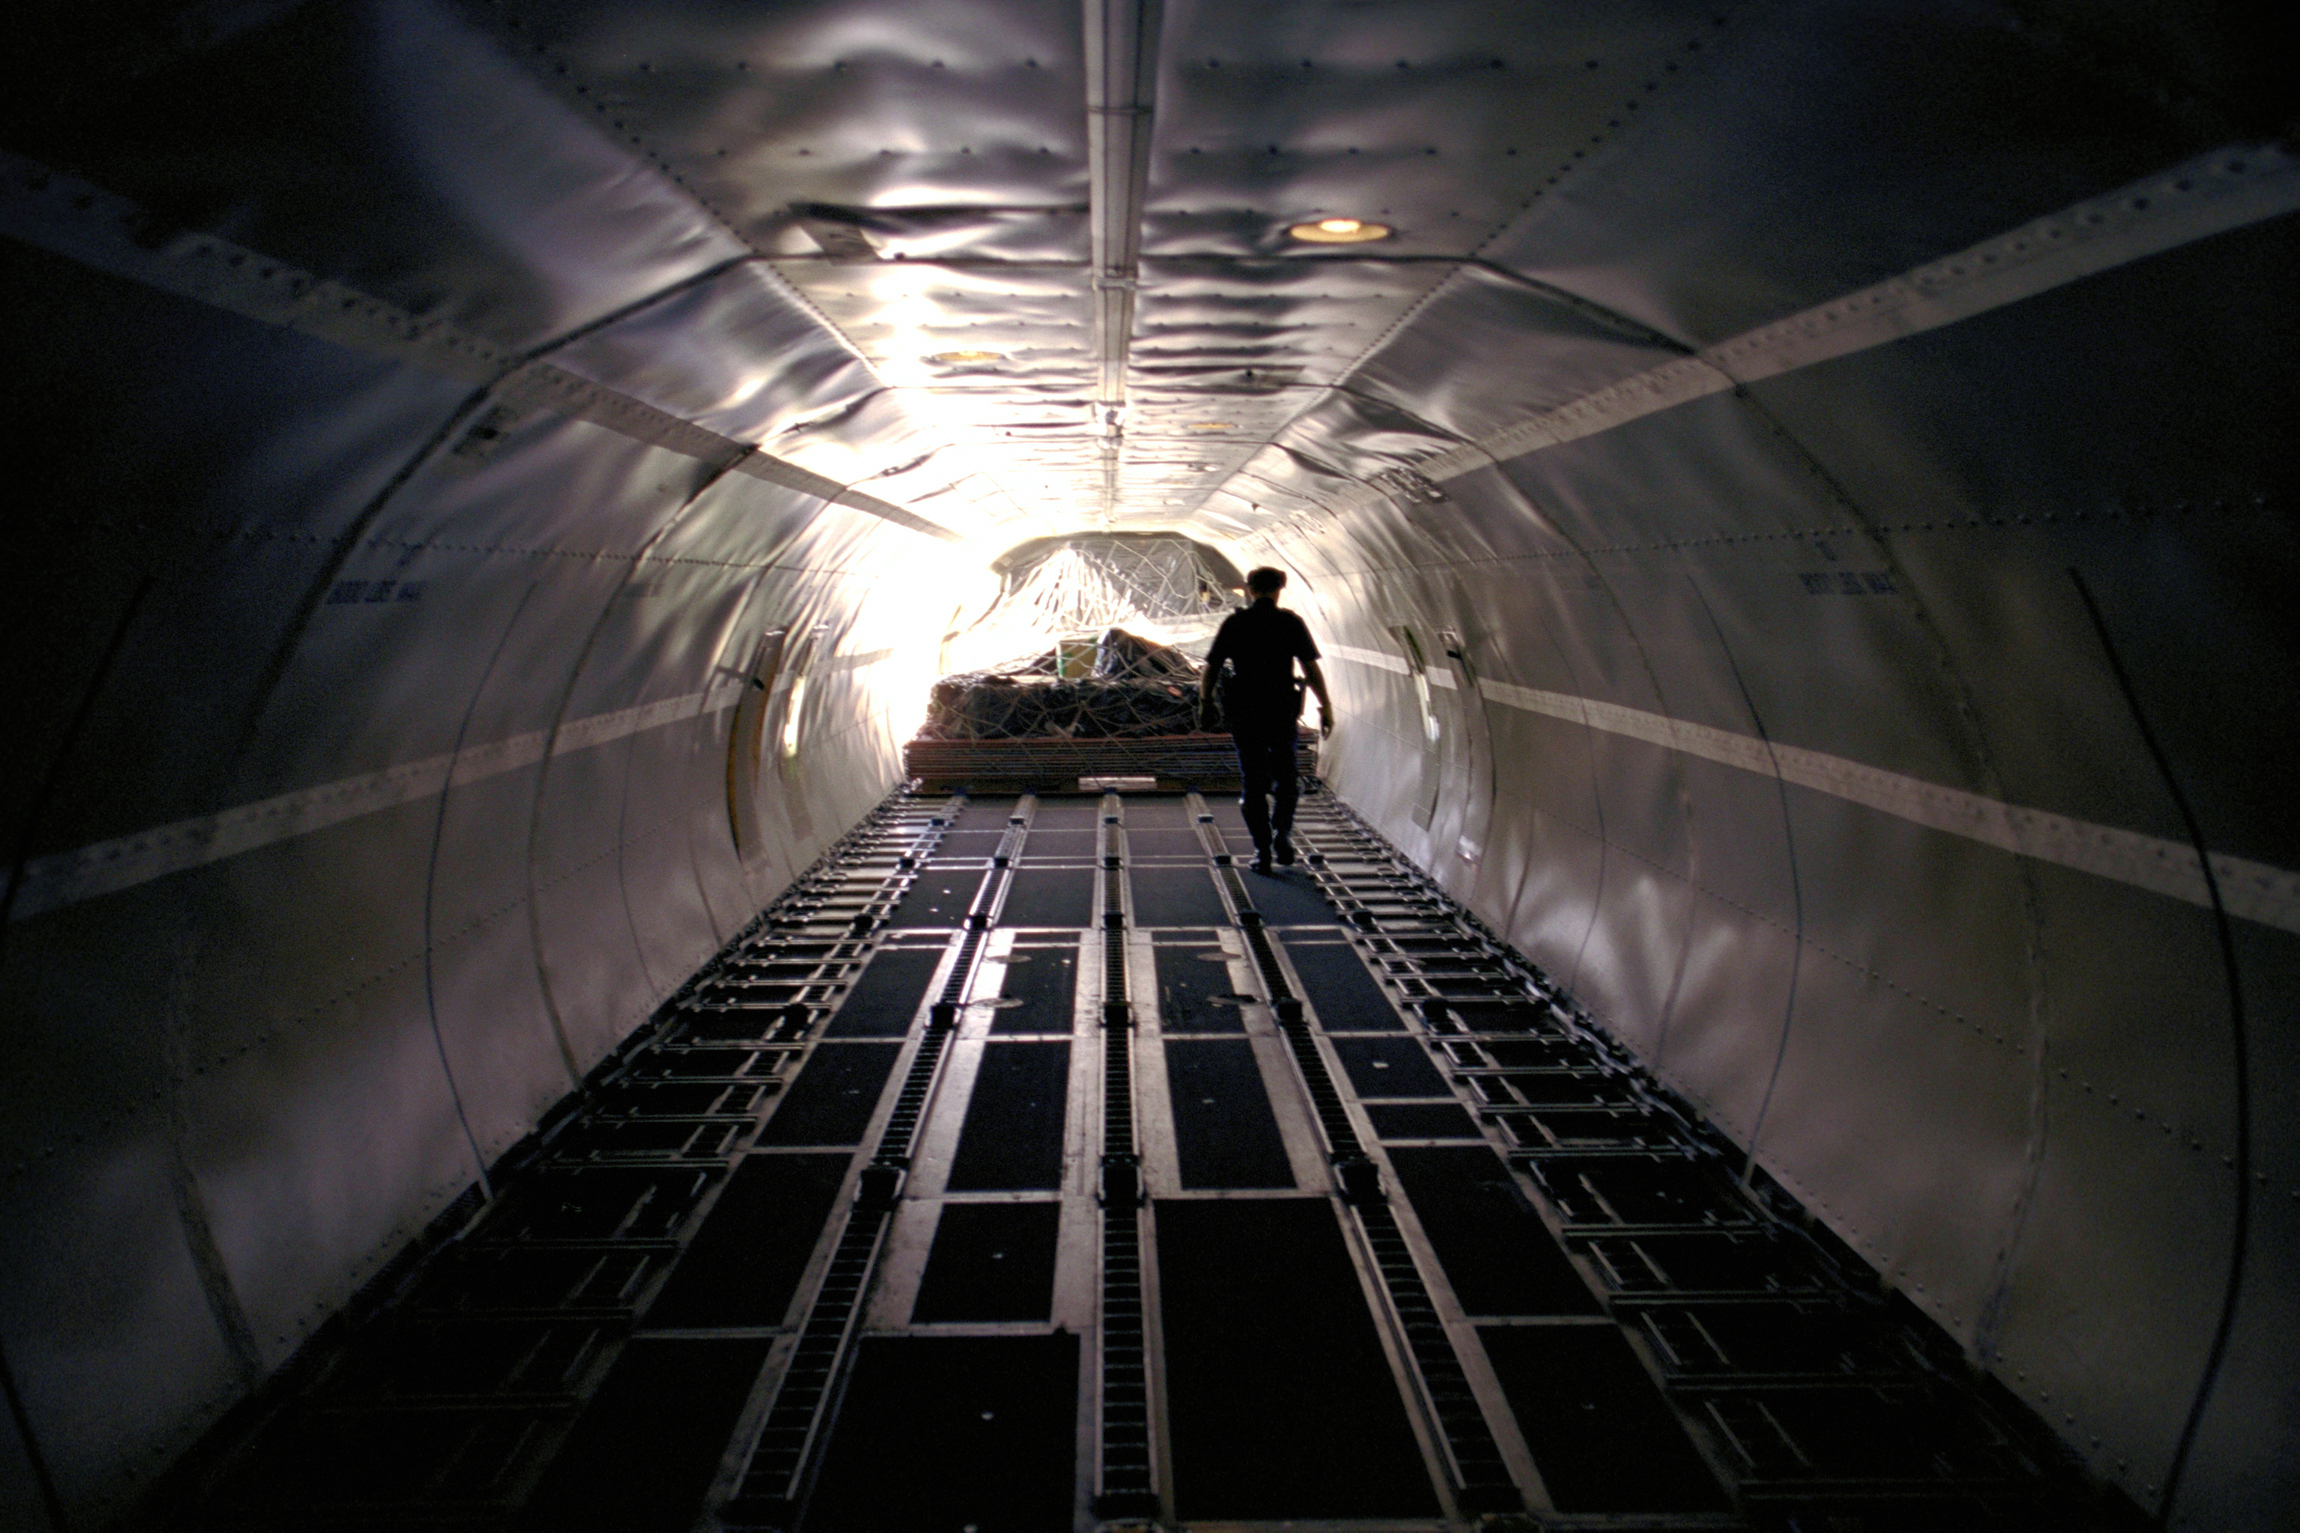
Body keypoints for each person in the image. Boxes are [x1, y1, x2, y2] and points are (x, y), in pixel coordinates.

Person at [1198, 567, 1334, 874]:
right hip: (1280, 710)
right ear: (1280, 588)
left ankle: (1262, 851)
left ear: (1249, 589)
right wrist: (1326, 707)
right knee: (1287, 778)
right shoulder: (1290, 622)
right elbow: (1311, 669)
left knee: (1253, 780)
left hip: (1246, 711)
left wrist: (1206, 703)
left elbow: (1212, 667)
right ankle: (1281, 834)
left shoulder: (1236, 622)